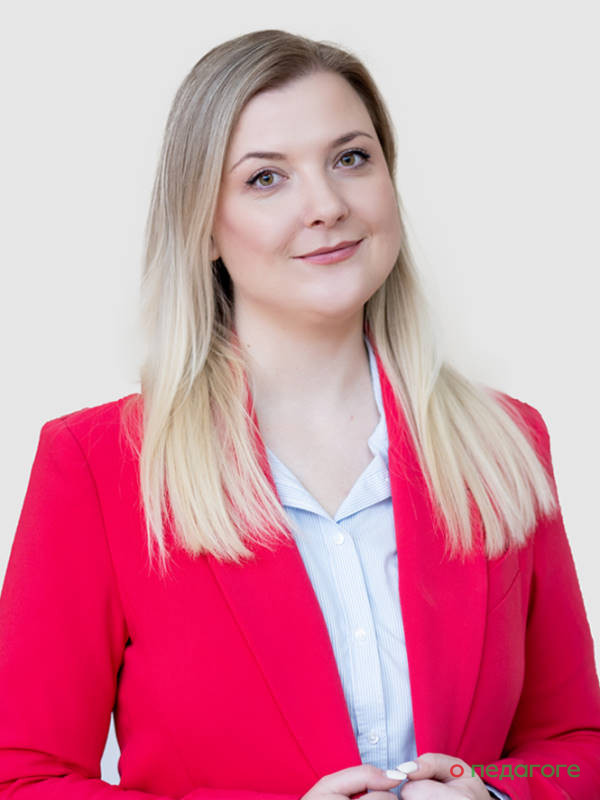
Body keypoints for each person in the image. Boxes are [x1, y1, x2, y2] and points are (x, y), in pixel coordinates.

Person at [0, 28, 599, 800]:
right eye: (265, 178)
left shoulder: (504, 443)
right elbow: (23, 777)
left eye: (350, 159)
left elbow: (574, 748)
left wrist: (495, 794)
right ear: (203, 227)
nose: (326, 206)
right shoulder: (98, 465)